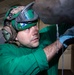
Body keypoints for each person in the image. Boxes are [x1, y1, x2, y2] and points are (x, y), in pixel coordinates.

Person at [0, 2, 74, 75]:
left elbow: (68, 24)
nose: (35, 31)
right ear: (13, 35)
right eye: (27, 28)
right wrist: (58, 43)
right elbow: (13, 71)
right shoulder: (5, 50)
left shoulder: (46, 36)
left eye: (35, 25)